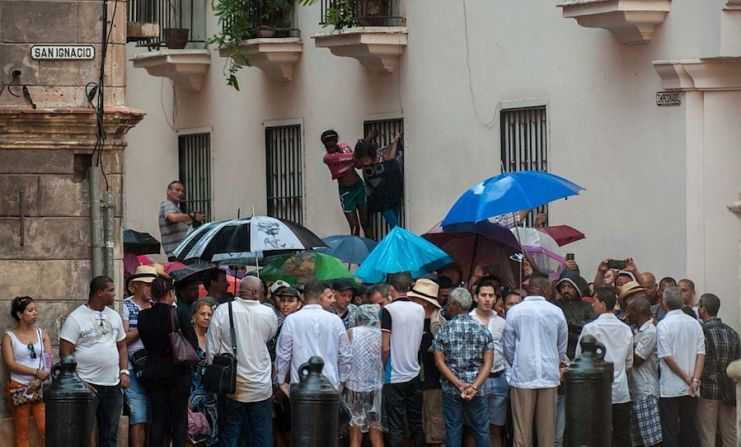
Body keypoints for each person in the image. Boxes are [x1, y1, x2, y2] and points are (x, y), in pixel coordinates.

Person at [59, 276, 129, 447]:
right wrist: (78, 382)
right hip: (87, 386)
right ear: (99, 292)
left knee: (110, 434)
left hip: (113, 386)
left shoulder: (114, 316)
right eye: (111, 290)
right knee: (82, 433)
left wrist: (124, 372)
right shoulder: (76, 318)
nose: (115, 294)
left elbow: (122, 346)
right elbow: (65, 354)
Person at [207, 276, 277, 446]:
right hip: (261, 387)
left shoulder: (223, 310)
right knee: (261, 436)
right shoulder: (268, 313)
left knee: (230, 435)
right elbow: (270, 337)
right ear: (254, 292)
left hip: (231, 386)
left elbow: (212, 350)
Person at [503, 273, 568, 447]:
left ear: (529, 288)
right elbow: (561, 347)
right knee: (547, 434)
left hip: (523, 376)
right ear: (545, 289)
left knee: (522, 434)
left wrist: (517, 363)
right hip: (548, 376)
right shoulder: (556, 312)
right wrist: (554, 363)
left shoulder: (514, 311)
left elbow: (508, 347)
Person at [137, 277, 197, 447]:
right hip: (178, 372)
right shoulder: (178, 313)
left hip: (153, 371)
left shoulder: (143, 315)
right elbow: (192, 342)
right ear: (170, 292)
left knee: (158, 418)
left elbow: (145, 340)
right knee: (179, 417)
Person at [432, 288, 494, 447]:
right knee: (481, 430)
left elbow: (439, 362)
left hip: (452, 389)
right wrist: (474, 386)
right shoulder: (483, 330)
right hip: (477, 390)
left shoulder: (443, 330)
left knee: (453, 429)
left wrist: (459, 384)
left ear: (454, 305)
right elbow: (488, 363)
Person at [576, 286, 633, 446]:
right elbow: (629, 362)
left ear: (602, 304)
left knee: (597, 435)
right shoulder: (626, 329)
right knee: (622, 435)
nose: (592, 305)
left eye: (594, 301)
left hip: (596, 392)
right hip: (621, 391)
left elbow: (580, 358)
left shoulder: (590, 328)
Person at [276, 281, 351, 394]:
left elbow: (283, 354)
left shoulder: (292, 320)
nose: (334, 300)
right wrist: (342, 382)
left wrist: (281, 381)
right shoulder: (335, 321)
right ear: (321, 296)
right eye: (330, 297)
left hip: (301, 385)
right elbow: (345, 355)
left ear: (303, 297)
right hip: (330, 386)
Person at [657, 286, 706, 447]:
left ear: (664, 303)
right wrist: (695, 380)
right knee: (690, 428)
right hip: (692, 386)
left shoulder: (663, 325)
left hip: (670, 386)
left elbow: (666, 356)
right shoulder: (695, 323)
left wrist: (686, 377)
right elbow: (701, 353)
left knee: (670, 430)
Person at [381, 272, 426, 447]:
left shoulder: (388, 310)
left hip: (394, 375)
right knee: (416, 422)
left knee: (396, 425)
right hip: (414, 372)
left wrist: (383, 365)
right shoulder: (420, 309)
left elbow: (385, 347)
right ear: (409, 288)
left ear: (391, 289)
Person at [2, 296, 52, 447]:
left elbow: (48, 359)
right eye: (30, 310)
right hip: (19, 387)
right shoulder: (8, 336)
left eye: (36, 309)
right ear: (19, 314)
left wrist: (39, 379)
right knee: (22, 431)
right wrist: (36, 372)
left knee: (45, 428)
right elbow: (11, 363)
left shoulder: (42, 334)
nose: (35, 313)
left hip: (38, 386)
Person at [696, 293, 740, 447]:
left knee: (707, 434)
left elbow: (699, 361)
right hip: (729, 391)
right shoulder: (733, 333)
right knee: (730, 434)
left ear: (703, 309)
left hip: (708, 389)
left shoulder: (701, 331)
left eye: (698, 306)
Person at [408, 278, 447, 447]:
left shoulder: (441, 322)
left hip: (434, 380)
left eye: (415, 299)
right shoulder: (410, 319)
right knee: (414, 427)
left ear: (424, 302)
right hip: (412, 380)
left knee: (435, 428)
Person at [469, 282, 508, 447]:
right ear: (475, 297)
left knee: (495, 428)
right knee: (473, 428)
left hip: (499, 379)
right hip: (476, 380)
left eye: (491, 296)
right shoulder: (468, 321)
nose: (487, 299)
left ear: (495, 299)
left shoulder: (501, 322)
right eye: (483, 295)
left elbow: (508, 349)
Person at [121, 265, 156, 447]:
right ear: (136, 285)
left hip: (154, 369)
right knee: (138, 416)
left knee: (153, 417)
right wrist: (124, 370)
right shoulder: (126, 306)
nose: (151, 289)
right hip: (134, 368)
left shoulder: (156, 306)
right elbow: (122, 339)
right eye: (147, 285)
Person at [346, 304, 385, 447]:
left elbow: (344, 359)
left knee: (355, 435)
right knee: (376, 431)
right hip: (376, 388)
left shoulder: (351, 333)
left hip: (354, 387)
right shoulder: (381, 334)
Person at [625, 297, 662, 447]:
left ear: (637, 312)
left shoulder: (650, 332)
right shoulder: (636, 331)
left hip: (646, 392)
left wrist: (622, 342)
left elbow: (637, 360)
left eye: (629, 311)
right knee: (639, 442)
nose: (627, 315)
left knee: (652, 442)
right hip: (635, 392)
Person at [321, 129, 372, 237]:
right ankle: (354, 251)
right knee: (354, 226)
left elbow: (358, 165)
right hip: (346, 193)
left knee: (366, 222)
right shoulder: (328, 157)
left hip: (358, 187)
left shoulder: (345, 147)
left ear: (336, 142)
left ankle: (372, 248)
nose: (330, 149)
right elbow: (345, 158)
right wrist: (363, 146)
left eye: (332, 146)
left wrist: (361, 153)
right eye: (328, 147)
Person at [353, 133, 403, 229]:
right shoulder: (365, 166)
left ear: (371, 155)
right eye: (362, 160)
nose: (364, 163)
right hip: (381, 201)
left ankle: (395, 243)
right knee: (395, 226)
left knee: (395, 226)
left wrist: (395, 143)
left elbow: (390, 158)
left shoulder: (380, 156)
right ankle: (400, 243)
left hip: (392, 194)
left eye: (366, 159)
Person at [189, 300, 218, 446]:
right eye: (202, 314)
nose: (206, 317)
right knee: (193, 431)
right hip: (191, 391)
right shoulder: (187, 338)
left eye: (209, 315)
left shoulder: (213, 339)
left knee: (211, 431)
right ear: (194, 316)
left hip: (210, 394)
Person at [159, 180, 205, 260]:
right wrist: (192, 216)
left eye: (182, 191)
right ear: (168, 191)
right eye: (177, 190)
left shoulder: (176, 208)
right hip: (177, 253)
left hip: (180, 252)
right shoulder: (167, 204)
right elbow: (172, 217)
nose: (180, 193)